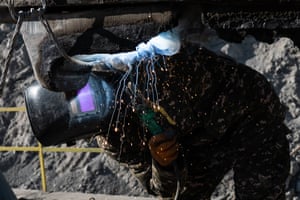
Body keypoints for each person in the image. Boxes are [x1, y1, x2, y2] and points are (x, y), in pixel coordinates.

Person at [22, 3, 291, 200]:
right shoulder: (113, 137)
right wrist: (162, 164)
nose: (95, 99)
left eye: (83, 93)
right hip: (201, 144)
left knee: (260, 192)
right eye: (87, 110)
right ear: (84, 129)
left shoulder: (132, 59)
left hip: (247, 115)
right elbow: (158, 189)